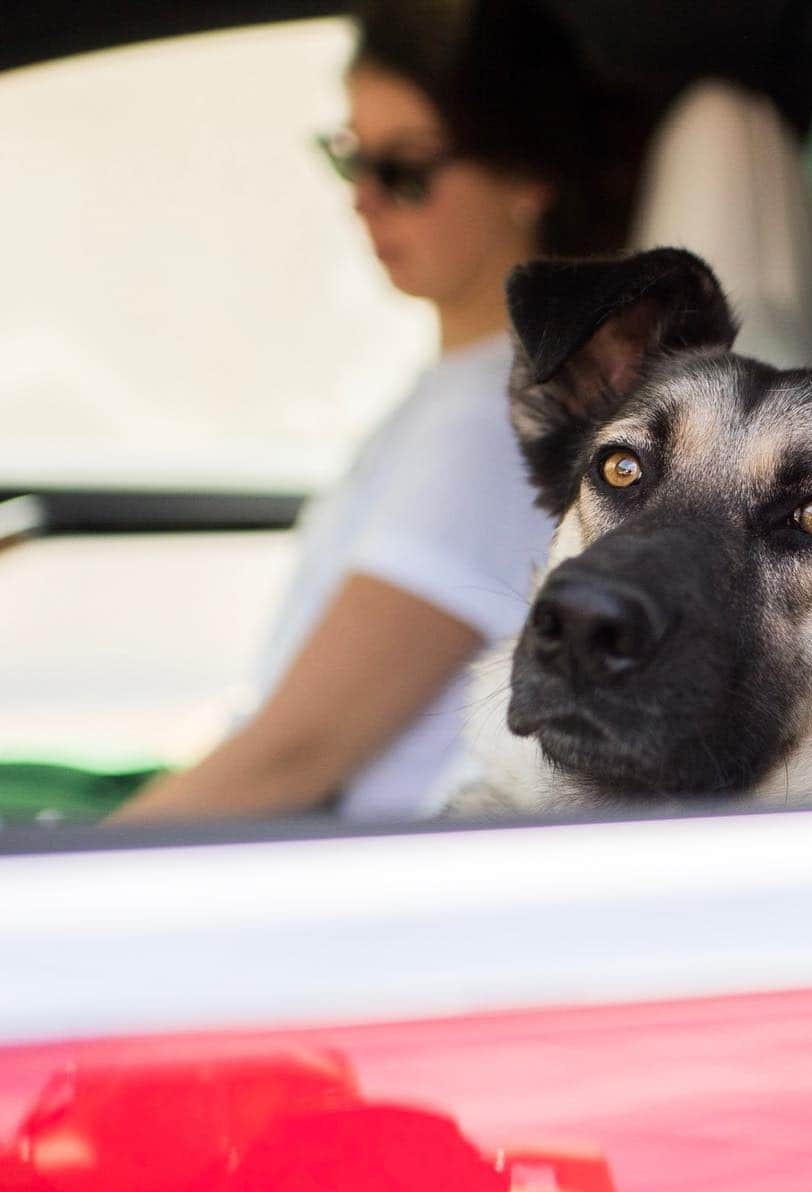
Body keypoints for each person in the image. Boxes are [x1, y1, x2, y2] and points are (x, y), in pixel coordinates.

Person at [113, 0, 645, 825]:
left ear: (529, 176)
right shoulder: (466, 387)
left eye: (406, 169)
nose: (364, 200)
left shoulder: (492, 422)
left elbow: (295, 757)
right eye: (350, 160)